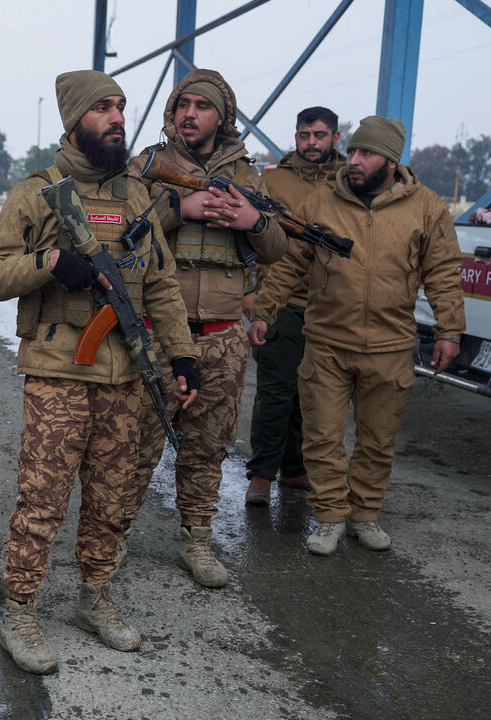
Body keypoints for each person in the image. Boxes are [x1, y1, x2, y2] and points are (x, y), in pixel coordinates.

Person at [0, 71, 199, 674]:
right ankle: (20, 609)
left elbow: (162, 284)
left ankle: (94, 596)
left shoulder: (138, 195)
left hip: (127, 376)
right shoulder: (36, 192)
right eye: (103, 107)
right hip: (59, 374)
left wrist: (182, 355)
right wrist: (51, 262)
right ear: (75, 120)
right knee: (42, 498)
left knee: (111, 497)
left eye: (121, 106)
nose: (117, 117)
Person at [247, 116, 465, 556]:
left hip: (390, 346)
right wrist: (265, 311)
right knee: (322, 437)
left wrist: (450, 330)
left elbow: (443, 270)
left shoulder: (426, 207)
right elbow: (290, 263)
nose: (355, 161)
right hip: (327, 340)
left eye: (367, 154)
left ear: (391, 162)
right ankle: (330, 517)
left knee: (377, 439)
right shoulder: (320, 202)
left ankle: (365, 514)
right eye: (355, 152)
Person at [127, 69, 288, 588]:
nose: (189, 114)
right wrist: (180, 208)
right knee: (136, 441)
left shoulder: (248, 176)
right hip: (156, 331)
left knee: (208, 444)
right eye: (183, 105)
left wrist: (252, 222)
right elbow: (122, 229)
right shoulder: (146, 166)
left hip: (222, 334)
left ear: (222, 117)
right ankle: (110, 536)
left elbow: (277, 248)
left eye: (202, 106)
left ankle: (196, 539)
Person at [244, 106, 344, 505]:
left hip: (329, 304)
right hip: (279, 301)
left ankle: (295, 468)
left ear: (335, 137)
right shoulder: (273, 182)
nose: (311, 142)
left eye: (320, 135)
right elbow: (247, 235)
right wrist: (249, 291)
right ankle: (261, 476)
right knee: (275, 393)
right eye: (304, 135)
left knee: (311, 396)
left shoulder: (347, 182)